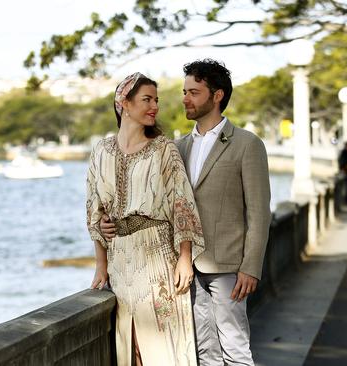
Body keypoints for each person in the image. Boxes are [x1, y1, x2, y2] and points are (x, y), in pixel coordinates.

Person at [101, 59, 272, 365]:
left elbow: (259, 213)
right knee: (204, 350)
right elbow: (157, 204)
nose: (184, 98)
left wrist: (251, 267)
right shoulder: (176, 147)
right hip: (183, 269)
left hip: (227, 265)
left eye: (193, 92)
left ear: (216, 95)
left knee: (234, 347)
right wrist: (108, 222)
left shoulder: (247, 144)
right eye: (183, 92)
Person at [86, 72, 205, 365]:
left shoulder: (164, 149)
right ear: (124, 103)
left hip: (157, 256)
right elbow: (93, 209)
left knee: (163, 347)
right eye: (147, 99)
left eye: (157, 100)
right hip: (120, 260)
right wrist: (101, 265)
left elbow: (182, 204)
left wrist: (185, 257)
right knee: (133, 348)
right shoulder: (101, 151)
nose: (154, 106)